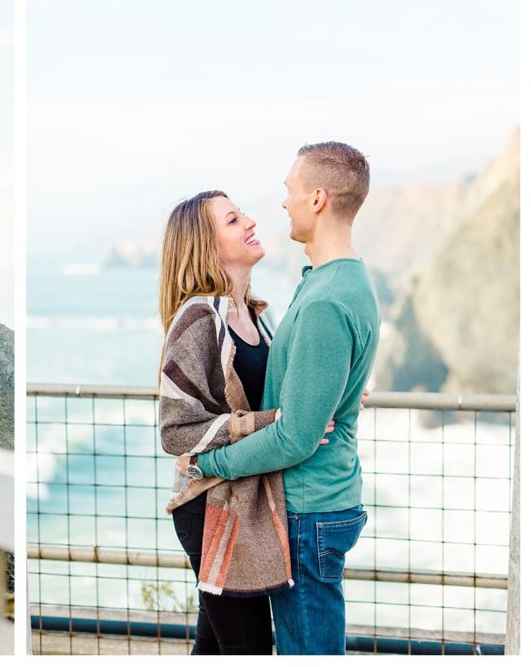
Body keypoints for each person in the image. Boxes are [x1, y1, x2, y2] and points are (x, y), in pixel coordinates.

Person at [188, 142, 380, 655]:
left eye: (290, 190)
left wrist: (212, 462)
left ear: (317, 199)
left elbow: (296, 436)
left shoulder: (325, 300)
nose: (283, 203)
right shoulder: (338, 282)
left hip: (306, 510)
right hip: (317, 504)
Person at [158, 190, 337, 655]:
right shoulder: (200, 318)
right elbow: (175, 431)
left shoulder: (258, 317)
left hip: (245, 504)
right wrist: (274, 422)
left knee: (215, 650)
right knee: (248, 652)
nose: (252, 222)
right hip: (215, 511)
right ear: (205, 245)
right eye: (234, 220)